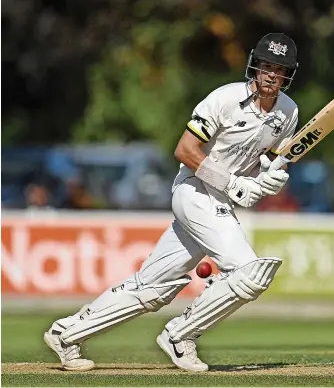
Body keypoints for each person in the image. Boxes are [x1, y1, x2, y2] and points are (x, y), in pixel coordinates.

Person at [43, 32, 299, 372]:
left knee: (152, 288)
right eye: (266, 66)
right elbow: (185, 151)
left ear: (287, 74)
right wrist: (233, 182)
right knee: (250, 273)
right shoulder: (224, 99)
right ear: (254, 65)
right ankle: (180, 336)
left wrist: (267, 179)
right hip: (193, 190)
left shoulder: (288, 113)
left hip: (221, 197)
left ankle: (66, 334)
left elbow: (265, 161)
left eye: (278, 69)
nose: (270, 74)